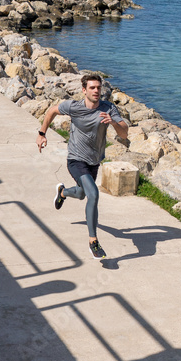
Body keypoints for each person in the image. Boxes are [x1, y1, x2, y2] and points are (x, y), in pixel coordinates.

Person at [37, 73, 128, 260]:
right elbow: (52, 111)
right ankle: (93, 241)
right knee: (93, 194)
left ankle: (62, 192)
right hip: (75, 159)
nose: (96, 91)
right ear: (84, 90)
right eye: (92, 88)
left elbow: (124, 133)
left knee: (81, 194)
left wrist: (112, 122)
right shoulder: (74, 107)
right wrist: (41, 133)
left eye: (99, 88)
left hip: (94, 161)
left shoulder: (108, 109)